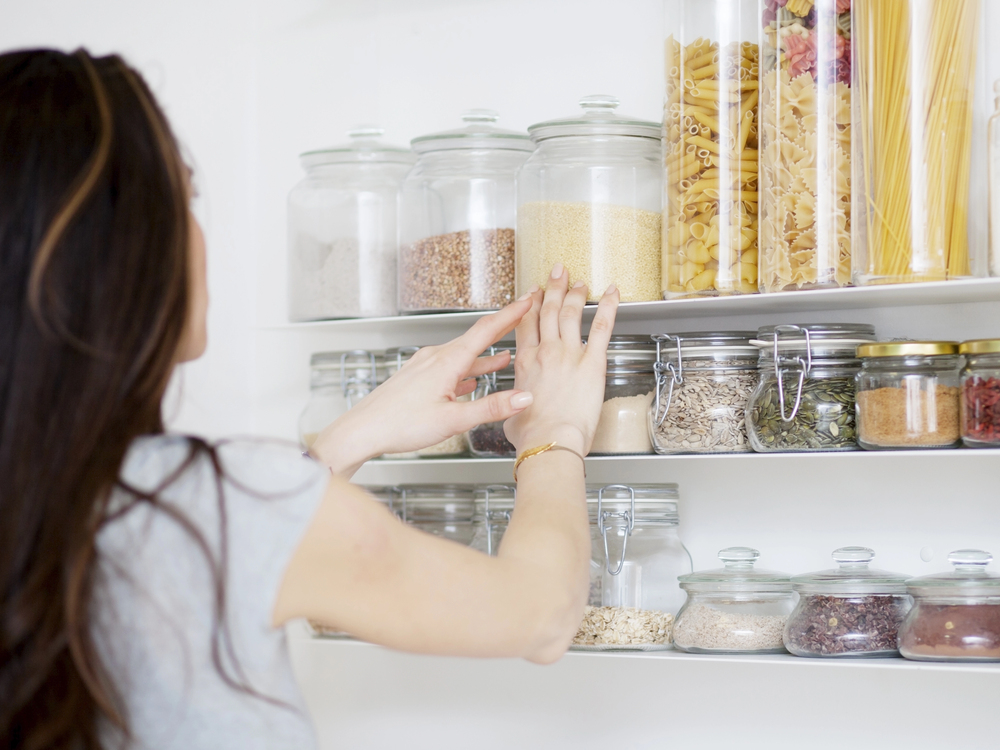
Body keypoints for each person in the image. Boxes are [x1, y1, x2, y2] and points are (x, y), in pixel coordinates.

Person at [0, 49, 621, 750]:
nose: (198, 235)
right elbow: (540, 614)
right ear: (120, 253)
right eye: (186, 198)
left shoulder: (75, 501)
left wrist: (350, 435)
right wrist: (555, 431)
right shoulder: (216, 507)